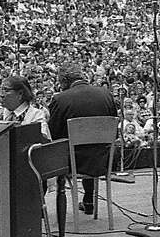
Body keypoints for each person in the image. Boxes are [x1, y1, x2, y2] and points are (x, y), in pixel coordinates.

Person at [47, 62, 117, 215]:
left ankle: (42, 209)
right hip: (103, 159)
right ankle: (89, 200)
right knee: (89, 148)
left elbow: (53, 135)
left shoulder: (60, 99)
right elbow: (114, 131)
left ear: (64, 81)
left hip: (73, 162)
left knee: (48, 154)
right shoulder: (106, 95)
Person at [0, 75, 50, 139]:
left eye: (6, 91)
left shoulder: (37, 116)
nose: (1, 95)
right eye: (1, 90)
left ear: (20, 94)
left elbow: (42, 146)